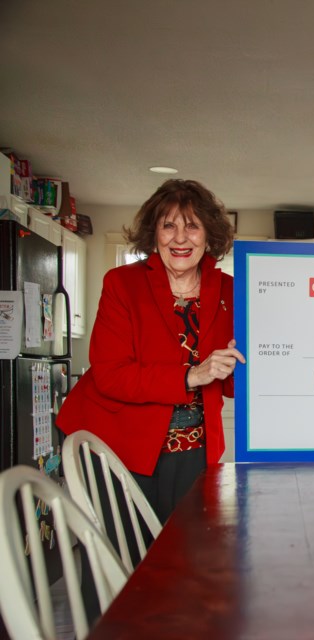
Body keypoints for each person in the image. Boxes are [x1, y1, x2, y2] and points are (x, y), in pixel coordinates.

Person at [58, 178, 245, 523]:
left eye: (192, 226)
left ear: (208, 235)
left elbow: (235, 381)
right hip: (117, 440)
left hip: (195, 447)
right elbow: (111, 375)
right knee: (122, 558)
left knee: (186, 559)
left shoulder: (232, 291)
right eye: (168, 225)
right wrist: (193, 374)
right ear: (153, 233)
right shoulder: (122, 284)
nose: (179, 238)